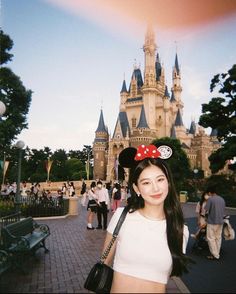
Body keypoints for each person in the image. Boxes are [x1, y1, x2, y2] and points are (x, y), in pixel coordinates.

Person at [102, 144, 190, 293]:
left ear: (168, 182)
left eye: (160, 180)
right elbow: (104, 263)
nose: (155, 188)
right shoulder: (121, 218)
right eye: (146, 182)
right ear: (136, 188)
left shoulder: (180, 230)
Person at [205, 185, 226, 260]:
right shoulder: (222, 199)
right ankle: (217, 252)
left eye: (208, 193)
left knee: (211, 238)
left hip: (212, 221)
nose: (208, 195)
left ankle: (215, 255)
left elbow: (206, 209)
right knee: (218, 238)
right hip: (220, 222)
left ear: (210, 192)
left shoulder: (211, 199)